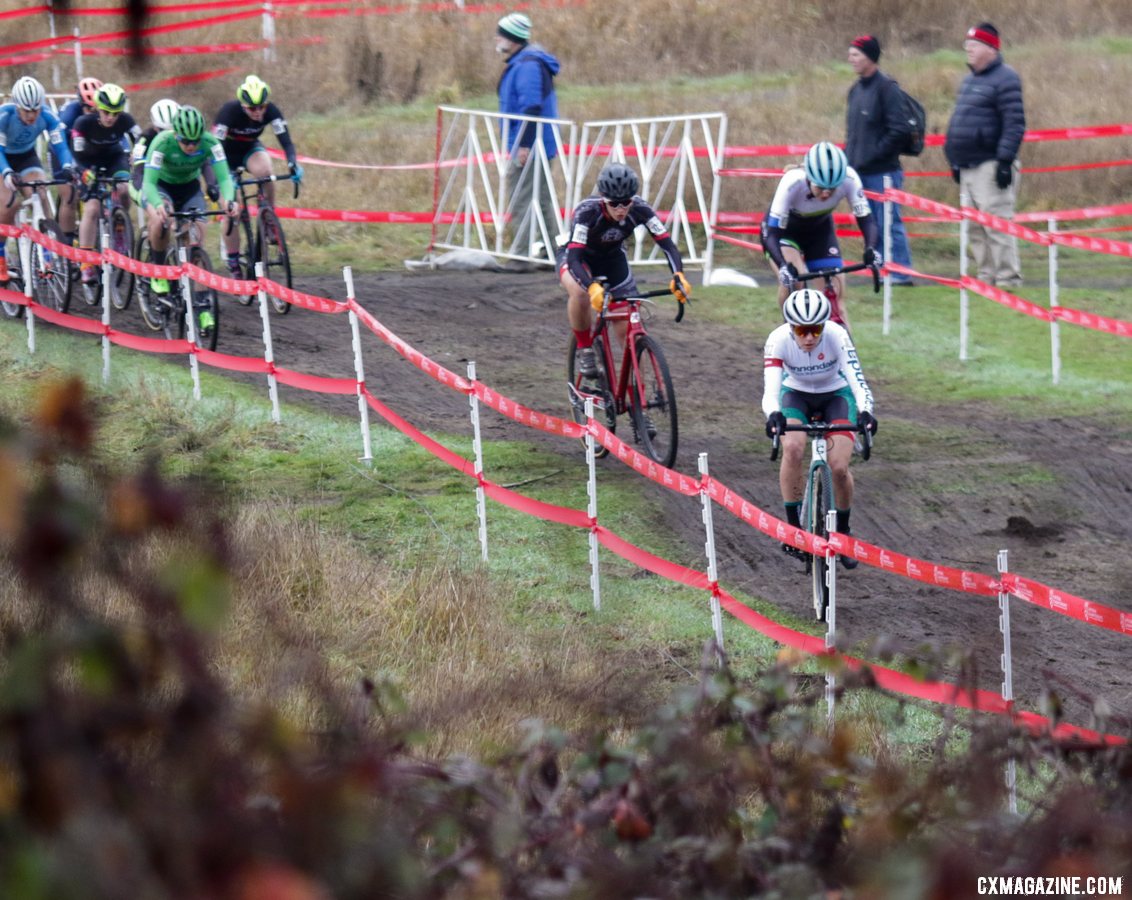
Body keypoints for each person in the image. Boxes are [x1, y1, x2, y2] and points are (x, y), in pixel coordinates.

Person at [762, 287, 878, 569]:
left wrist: (866, 412)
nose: (810, 337)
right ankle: (793, 531)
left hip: (836, 395)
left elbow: (857, 379)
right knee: (792, 448)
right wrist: (773, 413)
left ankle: (843, 531)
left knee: (838, 467)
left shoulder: (837, 335)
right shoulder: (777, 340)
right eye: (802, 331)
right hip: (796, 396)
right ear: (790, 328)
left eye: (816, 330)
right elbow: (771, 390)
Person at [558, 162, 690, 379]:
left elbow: (667, 245)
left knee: (628, 331)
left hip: (612, 259)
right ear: (603, 198)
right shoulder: (586, 212)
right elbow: (574, 257)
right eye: (614, 204)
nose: (621, 209)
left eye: (626, 203)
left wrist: (678, 275)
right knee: (580, 294)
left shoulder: (640, 209)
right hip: (578, 258)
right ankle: (585, 348)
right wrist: (591, 286)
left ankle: (637, 396)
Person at [759, 141, 881, 331]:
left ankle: (847, 357)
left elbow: (867, 220)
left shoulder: (850, 178)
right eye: (821, 187)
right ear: (809, 177)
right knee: (796, 283)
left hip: (819, 231)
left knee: (835, 297)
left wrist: (871, 249)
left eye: (832, 189)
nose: (826, 193)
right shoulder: (792, 182)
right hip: (784, 233)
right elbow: (772, 234)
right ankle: (790, 331)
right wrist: (783, 266)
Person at [944, 22, 1026, 287]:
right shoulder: (969, 81)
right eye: (967, 45)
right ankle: (986, 275)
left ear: (990, 48)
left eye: (974, 45)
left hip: (990, 165)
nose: (968, 49)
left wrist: (1004, 161)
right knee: (974, 228)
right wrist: (954, 160)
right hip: (966, 166)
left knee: (997, 225)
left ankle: (1007, 278)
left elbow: (1014, 123)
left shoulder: (1006, 78)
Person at [142, 105, 238, 309]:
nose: (191, 146)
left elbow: (224, 178)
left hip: (189, 188)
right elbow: (148, 183)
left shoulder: (211, 142)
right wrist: (158, 204)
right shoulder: (162, 143)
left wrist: (229, 200)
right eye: (185, 141)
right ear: (175, 134)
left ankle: (202, 304)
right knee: (161, 221)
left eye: (195, 141)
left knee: (197, 239)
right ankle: (158, 272)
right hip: (161, 187)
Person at [212, 75, 302, 277]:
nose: (258, 112)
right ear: (243, 106)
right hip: (223, 156)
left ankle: (268, 216)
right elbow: (214, 147)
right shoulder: (228, 112)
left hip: (249, 149)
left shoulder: (272, 111)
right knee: (231, 208)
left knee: (266, 173)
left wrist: (292, 163)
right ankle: (233, 261)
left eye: (262, 106)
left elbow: (286, 141)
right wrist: (224, 178)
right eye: (252, 108)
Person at [845, 34, 914, 286]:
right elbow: (852, 135)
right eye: (850, 53)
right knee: (871, 224)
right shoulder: (855, 90)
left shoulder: (887, 88)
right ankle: (883, 267)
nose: (850, 59)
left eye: (856, 54)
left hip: (883, 172)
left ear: (870, 58)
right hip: (859, 172)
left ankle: (901, 272)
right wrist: (848, 160)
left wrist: (871, 155)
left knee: (889, 222)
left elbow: (899, 130)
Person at [495, 11, 561, 256]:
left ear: (512, 39)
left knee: (522, 197)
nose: (497, 39)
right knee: (542, 199)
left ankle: (521, 254)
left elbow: (531, 107)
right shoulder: (527, 62)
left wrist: (523, 145)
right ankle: (553, 251)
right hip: (537, 143)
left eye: (501, 35)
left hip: (530, 145)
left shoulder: (527, 66)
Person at [0, 76, 75, 284]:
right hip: (2, 158)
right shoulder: (4, 116)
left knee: (40, 193)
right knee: (9, 204)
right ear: (17, 106)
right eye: (27, 111)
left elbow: (60, 145)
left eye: (36, 110)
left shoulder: (47, 116)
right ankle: (0, 257)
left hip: (25, 156)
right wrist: (6, 173)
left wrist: (68, 166)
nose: (32, 115)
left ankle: (47, 252)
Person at [71, 83, 141, 287]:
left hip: (113, 158)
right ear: (97, 108)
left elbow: (141, 140)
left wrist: (137, 157)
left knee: (124, 189)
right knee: (92, 208)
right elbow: (75, 156)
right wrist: (83, 172)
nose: (111, 117)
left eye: (115, 113)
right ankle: (86, 262)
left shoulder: (126, 120)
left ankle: (119, 225)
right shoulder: (83, 122)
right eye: (106, 112)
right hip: (87, 162)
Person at [50, 76, 103, 244]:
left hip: (87, 149)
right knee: (70, 196)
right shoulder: (69, 114)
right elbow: (60, 144)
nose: (92, 113)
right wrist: (71, 167)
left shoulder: (105, 113)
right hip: (62, 149)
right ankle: (67, 245)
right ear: (80, 103)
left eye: (96, 109)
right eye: (88, 108)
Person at [129, 98, 180, 205]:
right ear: (155, 127)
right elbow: (140, 170)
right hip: (150, 180)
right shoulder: (144, 139)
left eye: (174, 130)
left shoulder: (184, 138)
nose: (169, 135)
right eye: (164, 130)